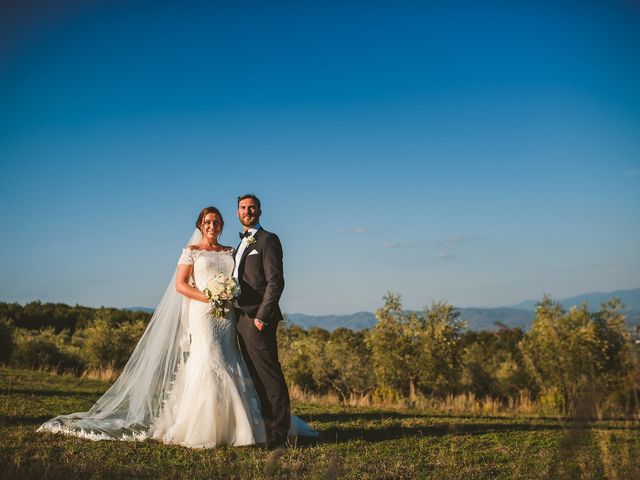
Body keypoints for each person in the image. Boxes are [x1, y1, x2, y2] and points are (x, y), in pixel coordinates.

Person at [37, 206, 316, 447]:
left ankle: (239, 425)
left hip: (227, 316)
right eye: (207, 222)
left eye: (216, 222)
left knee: (231, 362)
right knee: (207, 360)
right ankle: (202, 426)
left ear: (221, 225)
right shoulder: (191, 252)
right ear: (200, 225)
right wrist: (210, 296)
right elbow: (181, 285)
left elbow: (247, 281)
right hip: (203, 314)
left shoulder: (231, 250)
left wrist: (227, 297)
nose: (212, 225)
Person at [233, 194, 291, 449]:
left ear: (259, 211)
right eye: (243, 208)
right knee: (255, 378)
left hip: (258, 319)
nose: (248, 211)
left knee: (270, 378)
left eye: (252, 207)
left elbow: (275, 281)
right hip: (239, 319)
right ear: (238, 212)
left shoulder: (268, 240)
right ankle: (267, 431)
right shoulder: (241, 244)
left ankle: (280, 434)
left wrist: (261, 318)